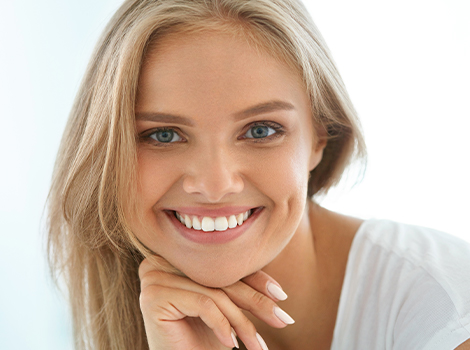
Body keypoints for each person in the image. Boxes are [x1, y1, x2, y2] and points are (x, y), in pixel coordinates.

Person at [46, 0, 470, 349]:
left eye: (261, 130)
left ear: (320, 138)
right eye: (163, 134)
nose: (214, 185)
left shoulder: (446, 307)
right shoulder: (133, 315)